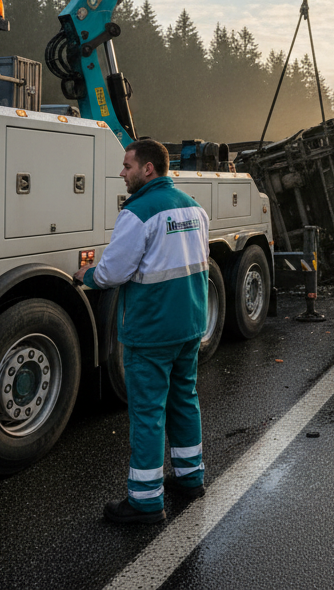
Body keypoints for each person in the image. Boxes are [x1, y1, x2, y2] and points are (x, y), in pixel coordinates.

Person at [74, 138, 210, 525]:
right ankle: (190, 478)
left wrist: (89, 276)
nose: (122, 172)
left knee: (148, 412)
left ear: (148, 169)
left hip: (152, 330)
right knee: (184, 399)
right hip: (190, 324)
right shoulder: (193, 208)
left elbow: (114, 272)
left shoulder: (138, 213)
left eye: (127, 165)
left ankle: (146, 502)